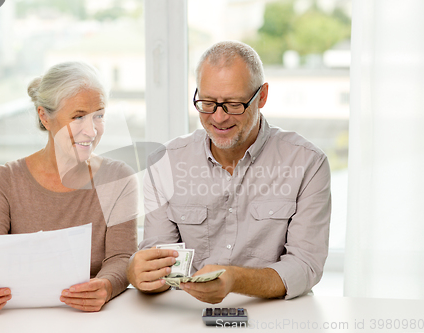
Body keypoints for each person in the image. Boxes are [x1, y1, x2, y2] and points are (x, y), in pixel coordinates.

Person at [127, 41, 331, 303]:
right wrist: (140, 273)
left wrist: (235, 279)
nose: (219, 118)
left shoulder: (308, 163)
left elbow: (306, 266)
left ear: (262, 96)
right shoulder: (164, 162)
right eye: (208, 102)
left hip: (274, 313)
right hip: (187, 313)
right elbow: (161, 265)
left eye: (234, 104)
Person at [0, 62, 138, 316]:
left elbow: (121, 257)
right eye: (78, 116)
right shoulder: (7, 179)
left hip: (91, 318)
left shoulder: (119, 179)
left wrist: (106, 286)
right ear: (44, 116)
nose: (91, 130)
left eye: (98, 115)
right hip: (18, 319)